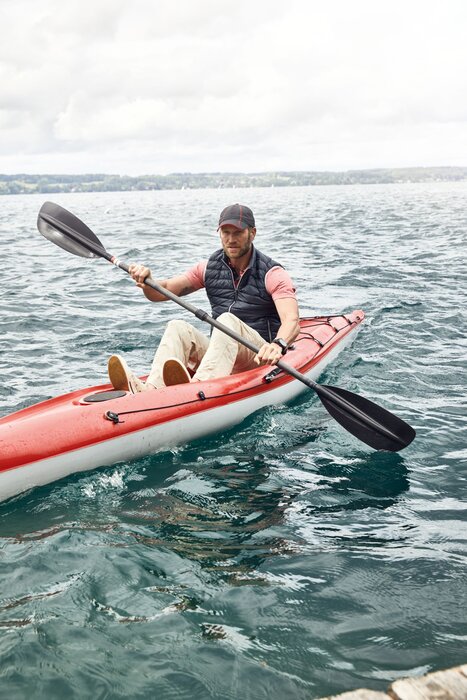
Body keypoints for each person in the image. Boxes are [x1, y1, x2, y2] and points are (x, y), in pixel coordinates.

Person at [108, 203, 300, 393]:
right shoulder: (208, 268)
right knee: (177, 327)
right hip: (223, 353)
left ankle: (198, 389)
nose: (231, 239)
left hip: (259, 356)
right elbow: (162, 291)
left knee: (227, 320)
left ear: (252, 233)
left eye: (238, 233)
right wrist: (147, 281)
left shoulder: (272, 273)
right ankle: (151, 390)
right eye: (225, 232)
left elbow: (291, 320)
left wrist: (278, 345)